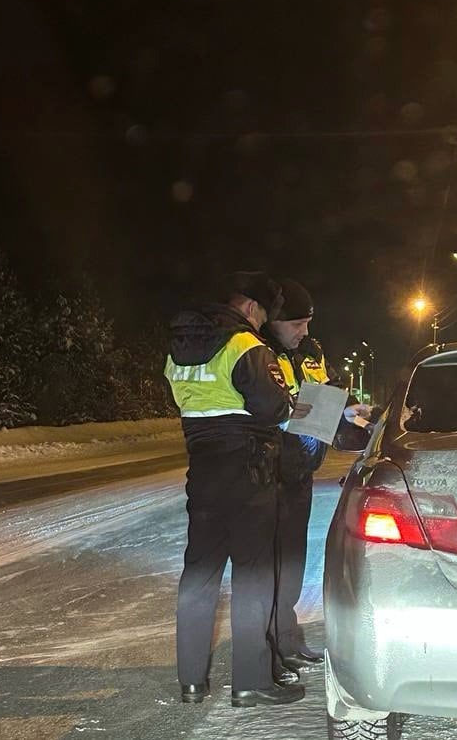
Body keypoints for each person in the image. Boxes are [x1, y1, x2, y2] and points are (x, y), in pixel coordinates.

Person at [164, 271, 310, 708]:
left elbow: (183, 401)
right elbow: (273, 408)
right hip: (249, 473)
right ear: (250, 307)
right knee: (253, 577)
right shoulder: (246, 346)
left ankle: (191, 681)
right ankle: (250, 682)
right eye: (264, 314)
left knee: (199, 575)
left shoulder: (179, 351)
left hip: (203, 475)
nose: (264, 323)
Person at [264, 280, 371, 675]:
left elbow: (320, 397)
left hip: (301, 471)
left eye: (308, 323)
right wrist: (317, 409)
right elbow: (275, 410)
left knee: (293, 558)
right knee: (269, 563)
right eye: (297, 323)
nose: (304, 332)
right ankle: (269, 645)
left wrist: (350, 411)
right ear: (274, 321)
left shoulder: (310, 352)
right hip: (269, 471)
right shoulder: (261, 352)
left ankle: (288, 637)